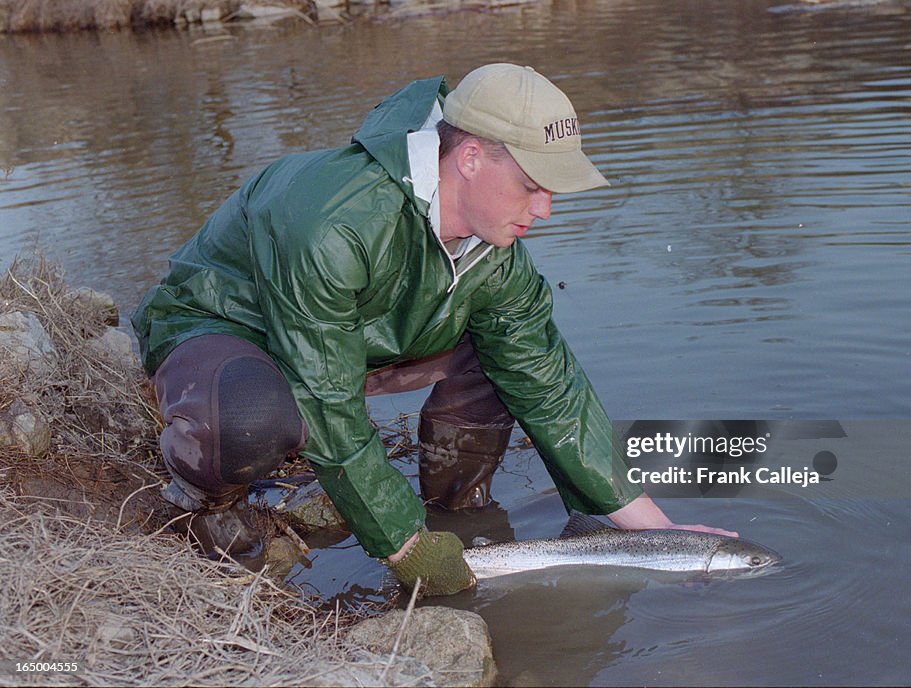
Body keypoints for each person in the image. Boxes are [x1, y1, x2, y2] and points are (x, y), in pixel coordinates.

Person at [132, 63, 736, 597]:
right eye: (532, 185)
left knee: (504, 360)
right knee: (248, 416)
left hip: (354, 339)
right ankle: (207, 503)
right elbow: (322, 392)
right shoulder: (332, 221)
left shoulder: (496, 249)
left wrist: (656, 531)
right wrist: (402, 547)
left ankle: (456, 511)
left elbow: (546, 383)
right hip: (228, 328)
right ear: (470, 157)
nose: (546, 208)